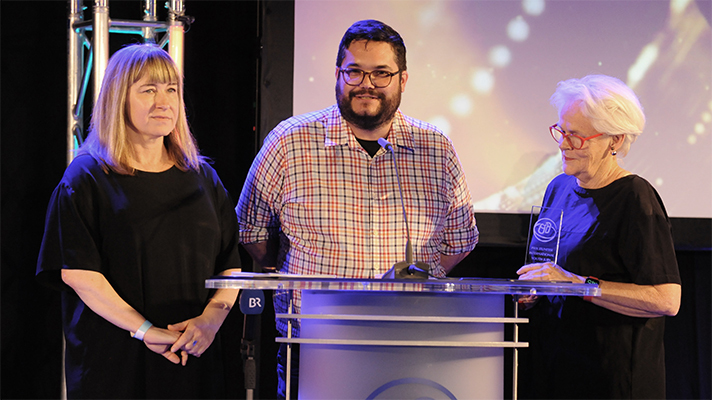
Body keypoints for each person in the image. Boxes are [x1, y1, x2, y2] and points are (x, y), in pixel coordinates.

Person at [236, 19, 479, 398]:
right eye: (355, 71)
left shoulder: (435, 148)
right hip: (314, 341)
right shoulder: (289, 141)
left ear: (403, 79)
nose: (367, 84)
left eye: (381, 73)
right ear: (338, 74)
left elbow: (459, 241)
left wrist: (418, 276)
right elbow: (252, 232)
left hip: (412, 339)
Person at [36, 44, 241, 399]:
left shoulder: (203, 178)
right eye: (148, 90)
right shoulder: (87, 178)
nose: (163, 102)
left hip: (193, 357)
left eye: (171, 90)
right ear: (118, 99)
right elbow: (79, 273)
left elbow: (230, 265)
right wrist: (145, 330)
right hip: (115, 364)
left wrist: (210, 321)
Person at [516, 74, 681, 399]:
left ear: (614, 141)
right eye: (561, 131)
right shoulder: (558, 189)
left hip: (613, 379)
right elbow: (551, 271)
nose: (563, 144)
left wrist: (577, 284)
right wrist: (533, 289)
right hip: (557, 370)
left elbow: (666, 300)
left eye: (576, 136)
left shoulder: (635, 197)